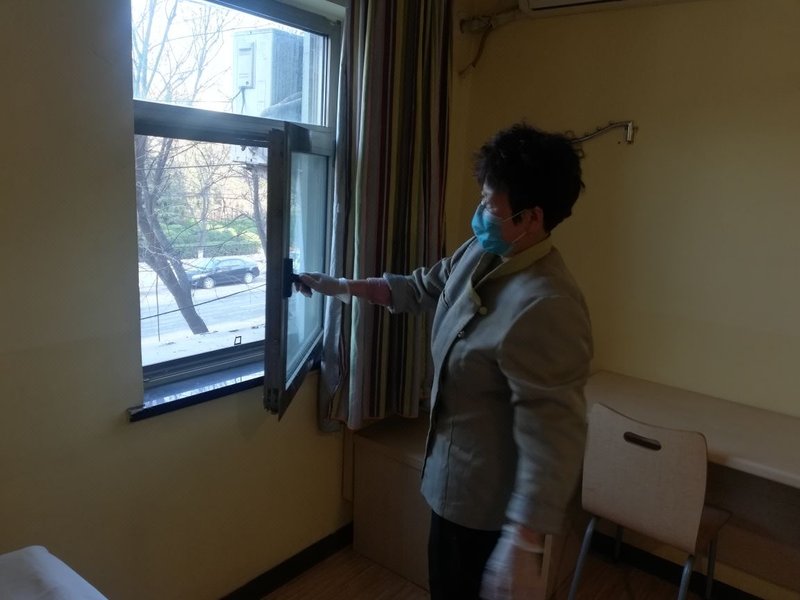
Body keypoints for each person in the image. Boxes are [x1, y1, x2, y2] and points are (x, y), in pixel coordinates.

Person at [296, 123, 593, 600]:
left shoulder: (547, 304)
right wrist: (347, 287)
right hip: (450, 479)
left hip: (490, 511)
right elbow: (422, 287)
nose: (479, 212)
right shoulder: (481, 251)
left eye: (490, 204)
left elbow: (554, 435)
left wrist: (525, 538)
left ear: (531, 218)